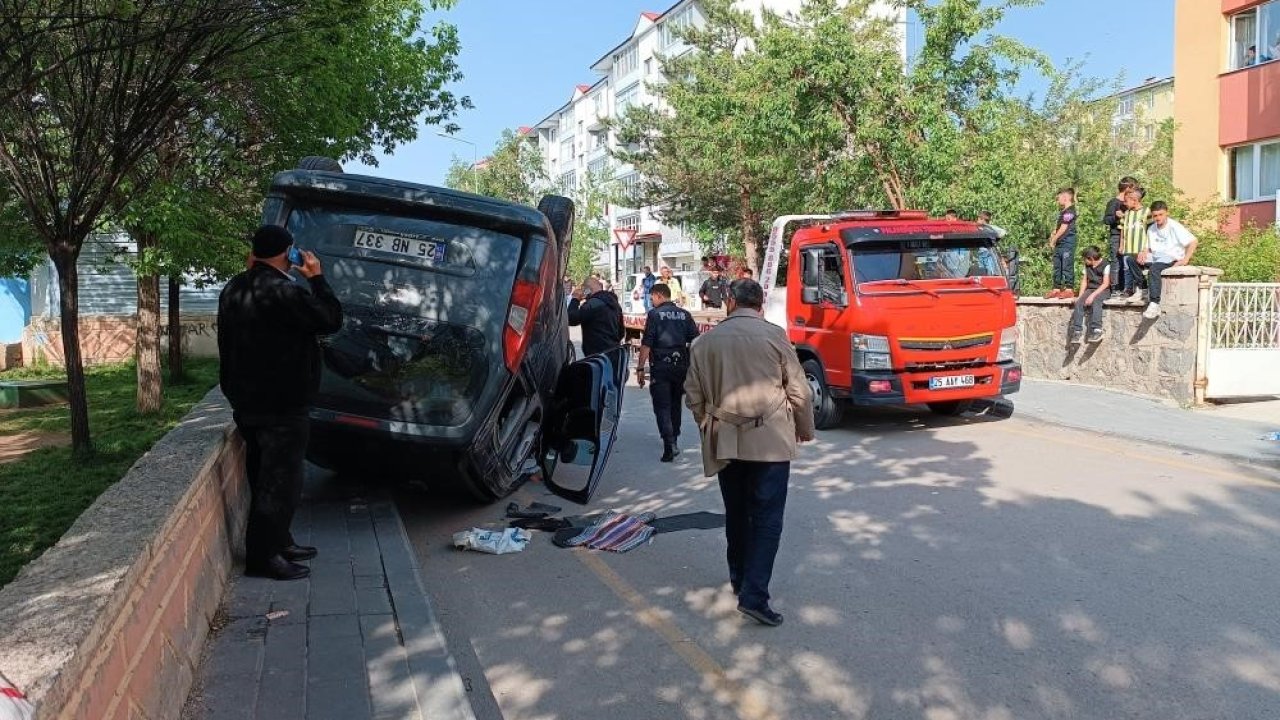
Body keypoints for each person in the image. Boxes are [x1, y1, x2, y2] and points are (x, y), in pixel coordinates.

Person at [684, 279, 814, 627]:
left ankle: (740, 580)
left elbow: (693, 397)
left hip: (726, 441)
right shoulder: (775, 336)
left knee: (737, 513)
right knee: (768, 519)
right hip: (771, 441)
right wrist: (804, 429)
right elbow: (800, 391)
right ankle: (755, 595)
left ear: (729, 301)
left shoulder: (704, 342)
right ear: (761, 304)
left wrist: (710, 426)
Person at [218, 225, 344, 581]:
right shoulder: (283, 292)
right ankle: (263, 557)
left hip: (247, 400)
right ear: (288, 252)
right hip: (282, 405)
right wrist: (317, 278)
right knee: (281, 482)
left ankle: (279, 540)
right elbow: (330, 319)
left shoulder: (235, 287)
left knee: (261, 475)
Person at [637, 283, 700, 462]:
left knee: (662, 405)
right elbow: (695, 340)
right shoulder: (684, 314)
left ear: (658, 295)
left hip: (661, 366)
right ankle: (675, 439)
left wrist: (640, 368)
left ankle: (669, 444)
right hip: (681, 365)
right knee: (675, 403)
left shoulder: (654, 315)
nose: (651, 302)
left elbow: (647, 343)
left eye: (652, 298)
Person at [1139, 201, 1198, 320]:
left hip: (1170, 257)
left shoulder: (1174, 226)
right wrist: (1143, 252)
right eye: (1155, 215)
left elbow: (1193, 241)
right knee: (1130, 260)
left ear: (1167, 213)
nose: (1158, 218)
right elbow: (1149, 247)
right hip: (1156, 256)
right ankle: (1143, 290)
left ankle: (1155, 303)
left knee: (1154, 269)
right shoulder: (1151, 228)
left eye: (1161, 215)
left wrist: (1185, 260)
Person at [568, 275, 624, 357]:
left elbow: (571, 319)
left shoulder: (592, 304)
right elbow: (621, 332)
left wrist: (575, 299)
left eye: (583, 289)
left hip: (598, 357)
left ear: (587, 290)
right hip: (614, 352)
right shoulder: (614, 303)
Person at [1103, 177, 1139, 297]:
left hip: (1130, 236)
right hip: (1117, 236)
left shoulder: (1130, 202)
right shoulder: (1114, 202)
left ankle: (1128, 287)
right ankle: (1115, 288)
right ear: (1128, 188)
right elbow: (1107, 220)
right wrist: (1116, 216)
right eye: (1133, 189)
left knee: (1128, 262)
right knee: (1116, 262)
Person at [1068, 246, 1111, 345]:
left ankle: (1097, 330)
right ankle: (1077, 331)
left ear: (1091, 258)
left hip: (1103, 290)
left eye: (1085, 259)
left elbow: (1105, 284)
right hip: (1090, 289)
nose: (1084, 261)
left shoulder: (1106, 265)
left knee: (1096, 301)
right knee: (1079, 303)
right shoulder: (1087, 266)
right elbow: (1084, 281)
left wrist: (1092, 296)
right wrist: (1080, 296)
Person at [1045, 188, 1078, 299]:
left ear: (1065, 197)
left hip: (1067, 242)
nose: (1058, 200)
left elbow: (1064, 228)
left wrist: (1054, 239)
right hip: (1060, 244)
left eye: (1059, 198)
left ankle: (1069, 289)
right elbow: (1059, 227)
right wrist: (1053, 234)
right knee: (1057, 265)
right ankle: (1056, 288)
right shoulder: (1063, 212)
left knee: (1067, 265)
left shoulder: (1070, 211)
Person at [1119, 187, 1151, 302]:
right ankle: (1128, 290)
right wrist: (1121, 245)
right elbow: (1123, 229)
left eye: (1126, 201)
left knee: (1139, 270)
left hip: (1140, 248)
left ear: (1134, 200)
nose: (1124, 203)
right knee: (1127, 269)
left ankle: (1141, 290)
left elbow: (1150, 231)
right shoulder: (1127, 213)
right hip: (1128, 247)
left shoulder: (1147, 212)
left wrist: (1146, 249)